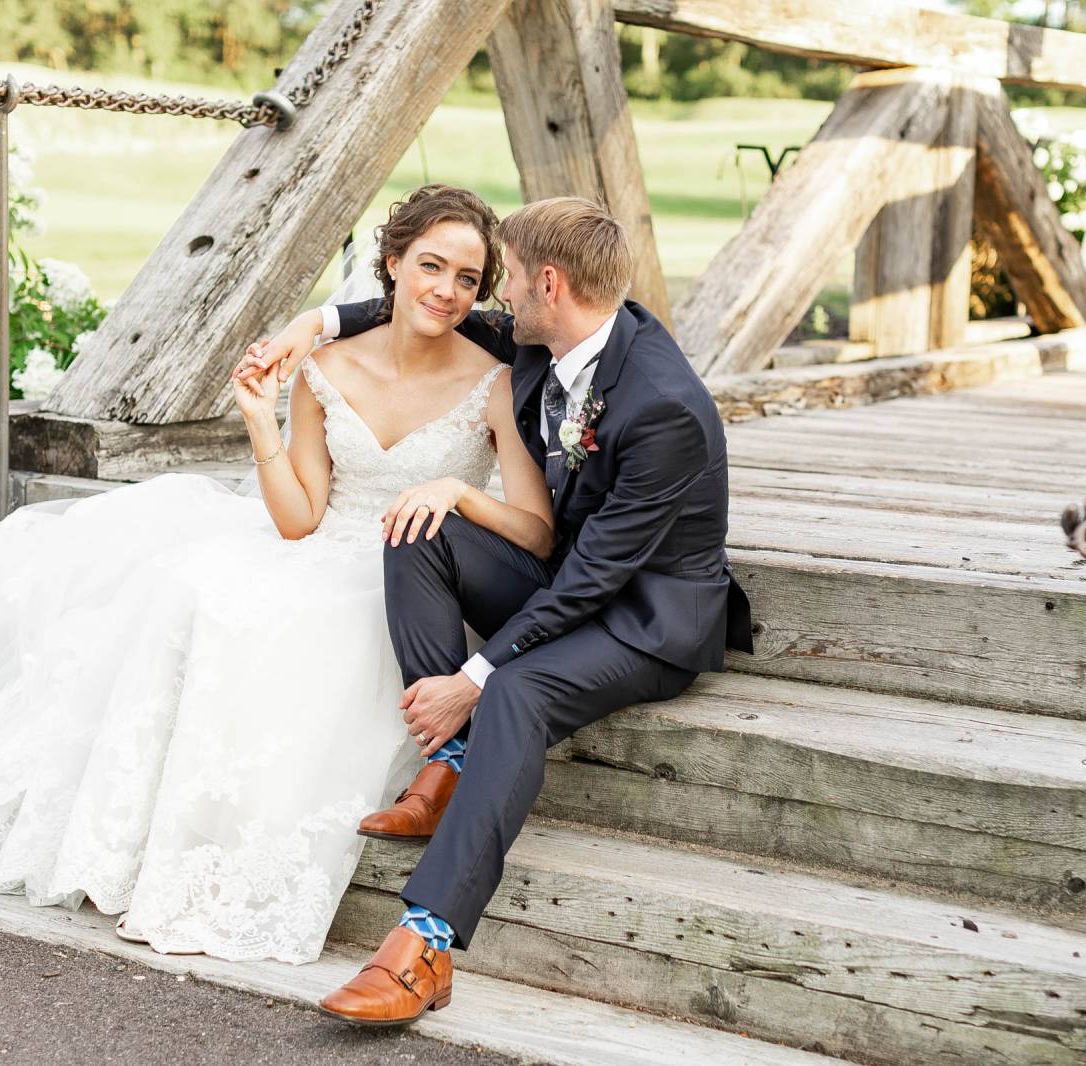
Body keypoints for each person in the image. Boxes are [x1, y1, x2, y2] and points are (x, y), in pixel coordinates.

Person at [0, 184, 554, 964]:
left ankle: (223, 881)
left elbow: (535, 529)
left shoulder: (491, 382)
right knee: (197, 592)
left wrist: (457, 495)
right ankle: (134, 856)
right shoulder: (324, 369)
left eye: (467, 278)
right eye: (430, 266)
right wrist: (259, 422)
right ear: (393, 263)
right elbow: (299, 519)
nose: (446, 290)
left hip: (411, 576)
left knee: (298, 628)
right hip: (325, 545)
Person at [239, 196, 752, 1025]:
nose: (493, 298)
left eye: (505, 278)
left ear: (548, 284)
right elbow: (424, 306)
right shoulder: (561, 331)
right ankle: (448, 766)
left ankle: (425, 944)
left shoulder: (664, 407)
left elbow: (594, 582)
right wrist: (317, 321)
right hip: (566, 578)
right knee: (417, 523)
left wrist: (471, 677)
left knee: (516, 690)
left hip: (644, 619)